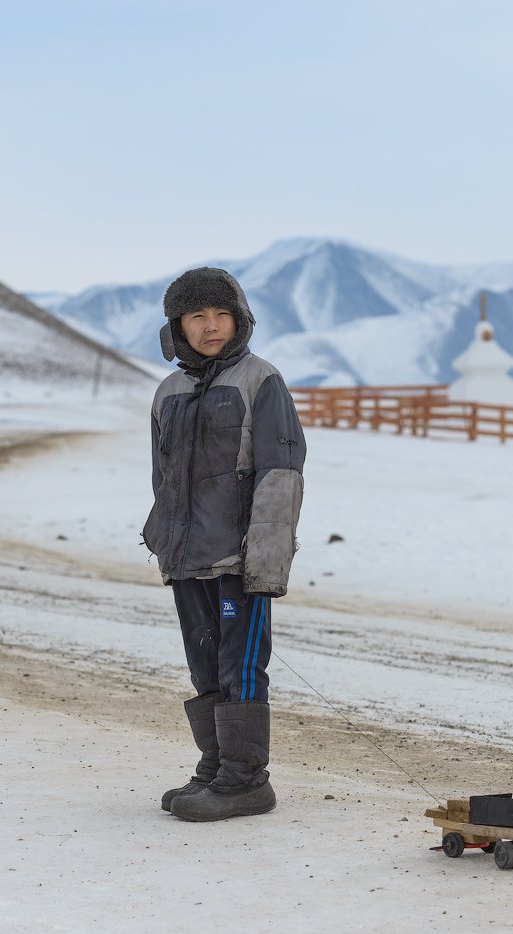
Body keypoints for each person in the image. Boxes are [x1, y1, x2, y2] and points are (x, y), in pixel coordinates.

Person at [142, 266, 306, 822]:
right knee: (204, 663)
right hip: (189, 559)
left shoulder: (261, 381)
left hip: (240, 559)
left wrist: (266, 560)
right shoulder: (169, 392)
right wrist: (164, 543)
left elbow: (281, 474)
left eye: (221, 314)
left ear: (240, 319)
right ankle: (215, 767)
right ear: (177, 326)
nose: (210, 326)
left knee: (240, 666)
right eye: (197, 316)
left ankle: (245, 779)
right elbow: (164, 481)